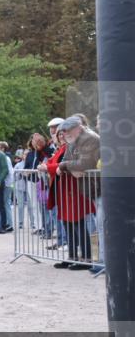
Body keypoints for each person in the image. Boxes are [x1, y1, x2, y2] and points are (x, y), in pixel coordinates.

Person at [50, 116, 100, 270]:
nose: (64, 135)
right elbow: (67, 161)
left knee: (84, 224)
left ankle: (88, 259)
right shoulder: (74, 139)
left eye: (67, 131)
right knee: (69, 222)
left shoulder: (90, 138)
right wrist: (67, 166)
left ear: (77, 128)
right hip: (74, 186)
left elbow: (84, 164)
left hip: (87, 187)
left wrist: (64, 166)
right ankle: (74, 256)